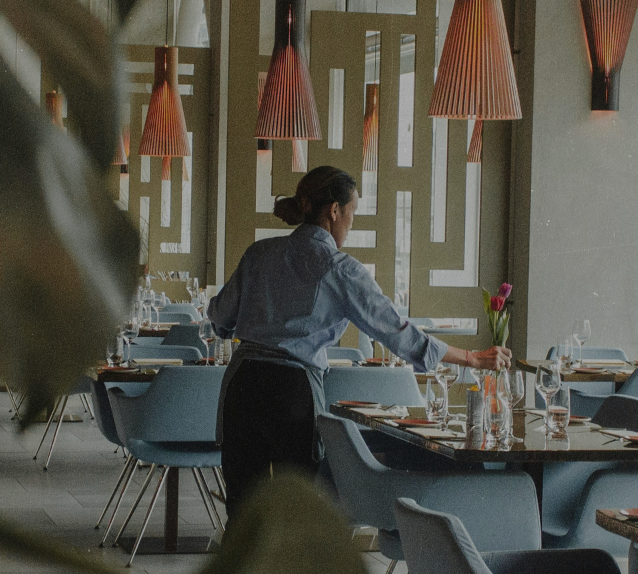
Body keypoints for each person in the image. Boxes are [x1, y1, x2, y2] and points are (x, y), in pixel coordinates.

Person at [208, 165, 512, 520]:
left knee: (241, 510)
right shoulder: (340, 268)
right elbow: (395, 331)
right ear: (333, 211)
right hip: (291, 393)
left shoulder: (259, 253)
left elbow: (219, 317)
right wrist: (471, 358)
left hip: (241, 383)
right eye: (352, 213)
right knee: (298, 513)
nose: (351, 223)